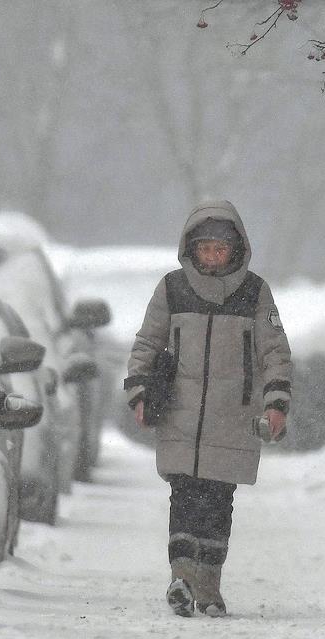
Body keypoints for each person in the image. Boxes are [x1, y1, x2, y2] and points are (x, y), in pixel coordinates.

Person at [123, 201, 293, 617]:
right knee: (184, 494)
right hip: (179, 412)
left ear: (235, 249)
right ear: (191, 249)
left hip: (233, 415)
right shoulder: (172, 289)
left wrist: (276, 402)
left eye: (220, 250)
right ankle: (181, 578)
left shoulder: (254, 292)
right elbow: (147, 341)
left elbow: (275, 350)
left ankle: (209, 587)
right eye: (205, 250)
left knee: (218, 500)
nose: (212, 258)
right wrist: (139, 392)